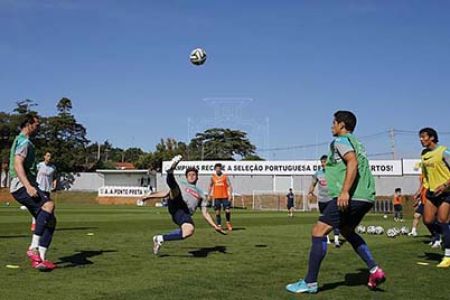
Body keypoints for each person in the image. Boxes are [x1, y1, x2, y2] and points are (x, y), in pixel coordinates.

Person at [286, 111, 385, 294]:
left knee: (318, 231)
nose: (331, 126)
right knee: (347, 231)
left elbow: (352, 163)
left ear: (341, 125)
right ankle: (374, 270)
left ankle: (310, 283)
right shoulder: (358, 142)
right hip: (366, 197)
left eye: (334, 122)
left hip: (352, 196)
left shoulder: (340, 141)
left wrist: (345, 191)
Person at [9, 114, 57, 271]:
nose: (39, 127)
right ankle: (33, 247)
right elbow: (17, 165)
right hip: (21, 185)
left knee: (50, 221)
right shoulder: (24, 142)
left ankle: (40, 260)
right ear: (28, 124)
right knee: (49, 205)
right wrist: (28, 186)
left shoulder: (21, 140)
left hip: (24, 184)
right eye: (37, 125)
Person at [152, 155, 226, 255]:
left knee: (188, 231)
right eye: (189, 174)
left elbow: (205, 213)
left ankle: (159, 238)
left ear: (197, 177)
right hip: (176, 203)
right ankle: (170, 172)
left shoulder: (201, 194)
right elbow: (166, 193)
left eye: (193, 174)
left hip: (183, 214)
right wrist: (148, 197)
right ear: (186, 177)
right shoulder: (182, 183)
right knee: (175, 189)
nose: (191, 176)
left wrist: (215, 226)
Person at [418, 127, 450, 268]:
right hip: (431, 192)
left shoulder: (444, 151)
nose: (421, 139)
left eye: (423, 136)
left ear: (432, 138)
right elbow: (425, 175)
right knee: (428, 220)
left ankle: (447, 256)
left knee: (442, 220)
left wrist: (444, 186)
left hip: (446, 192)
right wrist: (422, 190)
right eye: (420, 137)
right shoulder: (424, 155)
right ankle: (446, 234)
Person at [308, 155, 341, 247]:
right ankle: (326, 239)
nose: (323, 164)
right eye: (322, 162)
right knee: (324, 220)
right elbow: (313, 184)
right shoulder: (318, 173)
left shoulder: (333, 172)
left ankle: (336, 240)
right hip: (322, 200)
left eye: (325, 162)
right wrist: (310, 192)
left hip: (332, 199)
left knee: (335, 220)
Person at [25, 152, 57, 231]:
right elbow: (33, 174)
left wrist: (54, 185)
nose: (49, 157)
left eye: (50, 156)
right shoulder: (39, 165)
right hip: (39, 188)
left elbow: (55, 177)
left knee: (47, 208)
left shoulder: (53, 167)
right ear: (44, 156)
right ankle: (34, 224)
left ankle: (46, 223)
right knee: (37, 207)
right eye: (48, 156)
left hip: (47, 190)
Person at [409, 175, 441, 248]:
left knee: (433, 221)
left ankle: (438, 238)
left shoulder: (434, 180)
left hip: (431, 203)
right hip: (424, 203)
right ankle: (435, 236)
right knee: (425, 220)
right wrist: (418, 199)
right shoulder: (424, 180)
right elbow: (422, 190)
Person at [208, 163, 233, 231]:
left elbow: (229, 186)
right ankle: (219, 225)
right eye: (217, 168)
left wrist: (230, 195)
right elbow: (210, 186)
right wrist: (209, 195)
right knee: (217, 212)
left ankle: (228, 223)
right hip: (216, 197)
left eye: (219, 168)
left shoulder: (225, 176)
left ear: (221, 169)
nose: (218, 170)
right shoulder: (213, 177)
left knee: (227, 210)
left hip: (225, 196)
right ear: (215, 169)